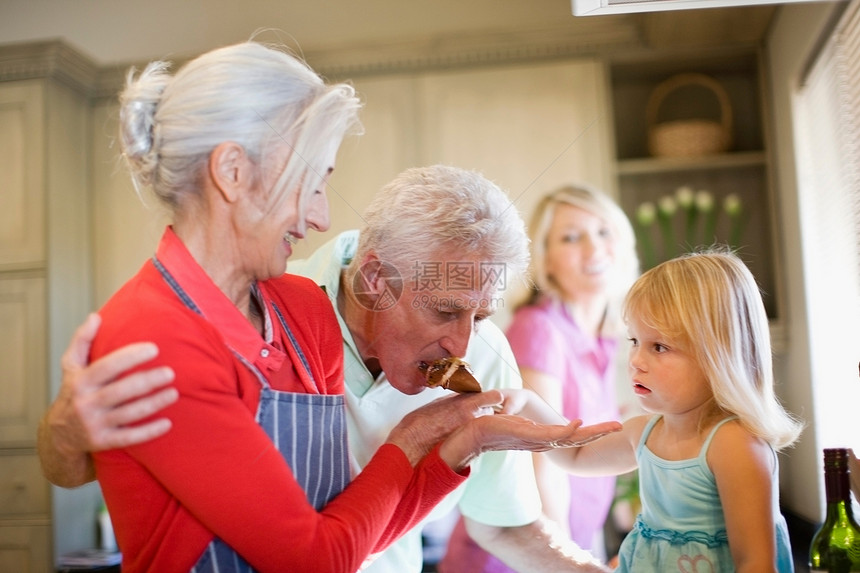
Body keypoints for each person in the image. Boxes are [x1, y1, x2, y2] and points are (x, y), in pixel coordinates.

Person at [45, 42, 615, 573]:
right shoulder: (157, 335)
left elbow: (358, 527)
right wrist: (419, 438)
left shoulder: (300, 309)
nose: (322, 216)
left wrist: (459, 441)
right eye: (312, 182)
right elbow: (310, 557)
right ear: (233, 172)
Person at [500, 250, 804, 572]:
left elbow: (755, 563)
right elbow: (573, 457)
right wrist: (529, 404)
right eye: (634, 341)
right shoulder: (643, 433)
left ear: (717, 355)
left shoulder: (734, 445)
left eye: (659, 347)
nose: (635, 361)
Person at [442, 184, 639, 572]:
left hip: (564, 548)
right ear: (546, 261)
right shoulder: (540, 330)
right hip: (511, 560)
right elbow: (543, 463)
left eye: (603, 231)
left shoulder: (602, 338)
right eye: (571, 237)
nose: (594, 248)